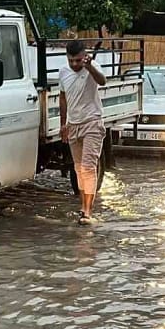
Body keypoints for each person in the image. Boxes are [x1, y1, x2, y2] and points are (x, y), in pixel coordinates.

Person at [59, 40, 107, 225]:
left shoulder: (92, 67)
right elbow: (63, 98)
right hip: (73, 125)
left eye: (78, 60)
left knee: (88, 167)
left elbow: (102, 81)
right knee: (78, 168)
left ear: (84, 56)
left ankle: (87, 212)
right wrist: (64, 124)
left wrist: (89, 67)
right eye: (71, 60)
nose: (74, 64)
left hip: (92, 123)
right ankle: (82, 205)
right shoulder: (63, 72)